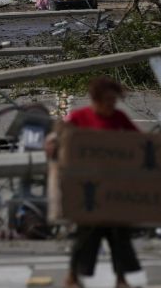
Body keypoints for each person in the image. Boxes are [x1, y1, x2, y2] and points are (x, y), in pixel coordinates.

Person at [46, 77, 143, 288]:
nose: (111, 104)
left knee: (119, 234)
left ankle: (121, 279)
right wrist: (53, 142)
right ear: (96, 99)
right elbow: (58, 133)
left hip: (115, 187)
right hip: (87, 188)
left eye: (114, 100)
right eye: (107, 100)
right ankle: (72, 276)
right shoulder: (80, 117)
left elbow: (139, 140)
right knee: (86, 234)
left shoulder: (119, 118)